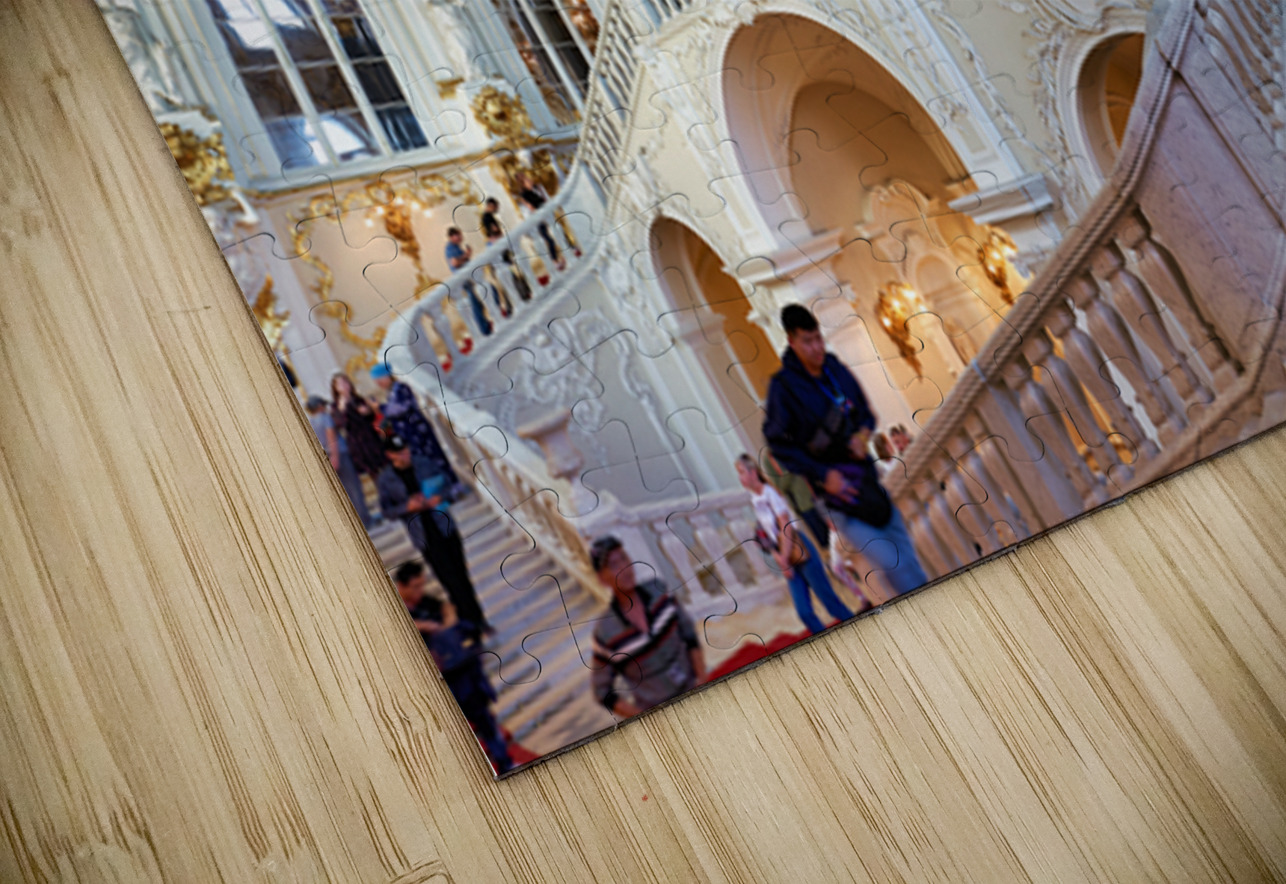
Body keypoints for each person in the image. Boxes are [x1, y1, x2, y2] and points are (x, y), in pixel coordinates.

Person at [763, 304, 929, 598]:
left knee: (912, 564)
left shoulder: (835, 368)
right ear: (791, 341)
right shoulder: (783, 388)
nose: (816, 348)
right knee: (897, 566)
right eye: (807, 341)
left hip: (871, 485)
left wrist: (863, 434)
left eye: (818, 338)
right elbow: (777, 443)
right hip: (840, 502)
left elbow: (865, 412)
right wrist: (821, 474)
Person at [394, 560, 513, 774]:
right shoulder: (394, 611)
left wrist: (446, 621)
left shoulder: (428, 603)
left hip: (461, 674)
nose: (420, 591)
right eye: (415, 586)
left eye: (422, 584)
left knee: (484, 718)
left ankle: (504, 761)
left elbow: (448, 612)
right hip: (433, 684)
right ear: (401, 586)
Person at [377, 435, 492, 636]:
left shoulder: (424, 463)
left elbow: (447, 485)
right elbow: (387, 510)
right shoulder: (386, 480)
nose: (405, 455)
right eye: (399, 453)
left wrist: (440, 497)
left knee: (461, 575)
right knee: (449, 580)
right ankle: (471, 623)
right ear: (390, 455)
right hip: (425, 536)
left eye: (405, 450)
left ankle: (477, 619)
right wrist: (407, 507)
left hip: (444, 526)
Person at [737, 454, 865, 632]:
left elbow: (786, 527)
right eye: (739, 473)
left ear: (753, 473)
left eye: (742, 472)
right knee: (804, 612)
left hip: (798, 548)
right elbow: (765, 536)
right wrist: (780, 560)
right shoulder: (755, 501)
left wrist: (784, 558)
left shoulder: (770, 493)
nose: (740, 477)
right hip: (785, 555)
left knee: (830, 603)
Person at [588, 536, 705, 719]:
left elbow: (689, 635)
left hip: (696, 692)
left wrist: (703, 679)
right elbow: (602, 692)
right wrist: (645, 718)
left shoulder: (659, 591)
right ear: (602, 578)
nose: (624, 569)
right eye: (613, 565)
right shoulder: (605, 633)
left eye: (624, 558)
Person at [369, 362, 466, 500]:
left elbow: (401, 408)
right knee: (424, 464)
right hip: (410, 435)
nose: (378, 383)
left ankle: (454, 488)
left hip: (418, 432)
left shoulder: (400, 388)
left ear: (387, 376)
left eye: (379, 379)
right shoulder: (391, 392)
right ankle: (441, 493)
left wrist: (381, 408)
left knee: (434, 459)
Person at [306, 394, 374, 528]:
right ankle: (365, 520)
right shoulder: (325, 418)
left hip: (326, 457)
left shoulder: (310, 422)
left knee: (345, 491)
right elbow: (332, 438)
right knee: (354, 487)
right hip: (339, 455)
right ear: (320, 407)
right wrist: (335, 457)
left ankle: (356, 521)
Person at [330, 371, 386, 481]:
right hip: (356, 441)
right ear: (336, 388)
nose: (344, 386)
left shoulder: (358, 399)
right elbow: (340, 424)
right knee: (372, 471)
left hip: (369, 435)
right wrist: (342, 407)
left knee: (384, 465)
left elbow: (371, 417)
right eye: (340, 384)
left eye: (345, 382)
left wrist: (367, 411)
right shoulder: (335, 406)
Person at [480, 196, 532, 302]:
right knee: (510, 274)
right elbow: (494, 231)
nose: (496, 209)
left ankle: (523, 293)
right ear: (491, 206)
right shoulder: (487, 217)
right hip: (499, 248)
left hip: (498, 246)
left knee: (511, 274)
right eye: (496, 207)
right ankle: (523, 294)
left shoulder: (486, 216)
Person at [445, 226, 494, 336]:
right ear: (452, 236)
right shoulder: (450, 248)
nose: (461, 237)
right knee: (475, 305)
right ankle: (484, 330)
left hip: (468, 279)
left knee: (478, 304)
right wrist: (466, 255)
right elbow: (455, 263)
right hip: (464, 281)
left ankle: (485, 326)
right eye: (459, 235)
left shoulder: (456, 247)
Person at [514, 172, 564, 273]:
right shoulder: (524, 195)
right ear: (523, 184)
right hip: (538, 218)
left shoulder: (538, 187)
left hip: (547, 212)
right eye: (527, 181)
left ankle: (565, 253)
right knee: (548, 240)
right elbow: (530, 208)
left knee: (557, 230)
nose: (529, 180)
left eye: (529, 179)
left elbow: (545, 198)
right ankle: (554, 262)